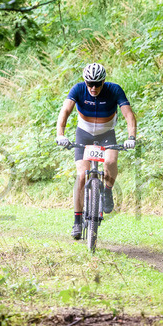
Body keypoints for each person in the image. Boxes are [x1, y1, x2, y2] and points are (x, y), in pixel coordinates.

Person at [56, 63, 137, 240]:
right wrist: (60, 135)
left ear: (104, 81)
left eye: (97, 84)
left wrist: (131, 138)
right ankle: (77, 222)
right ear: (85, 82)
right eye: (89, 83)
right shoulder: (78, 89)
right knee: (81, 175)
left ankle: (107, 190)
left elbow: (129, 115)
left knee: (109, 162)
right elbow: (65, 111)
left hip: (107, 134)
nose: (93, 88)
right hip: (83, 135)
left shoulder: (114, 90)